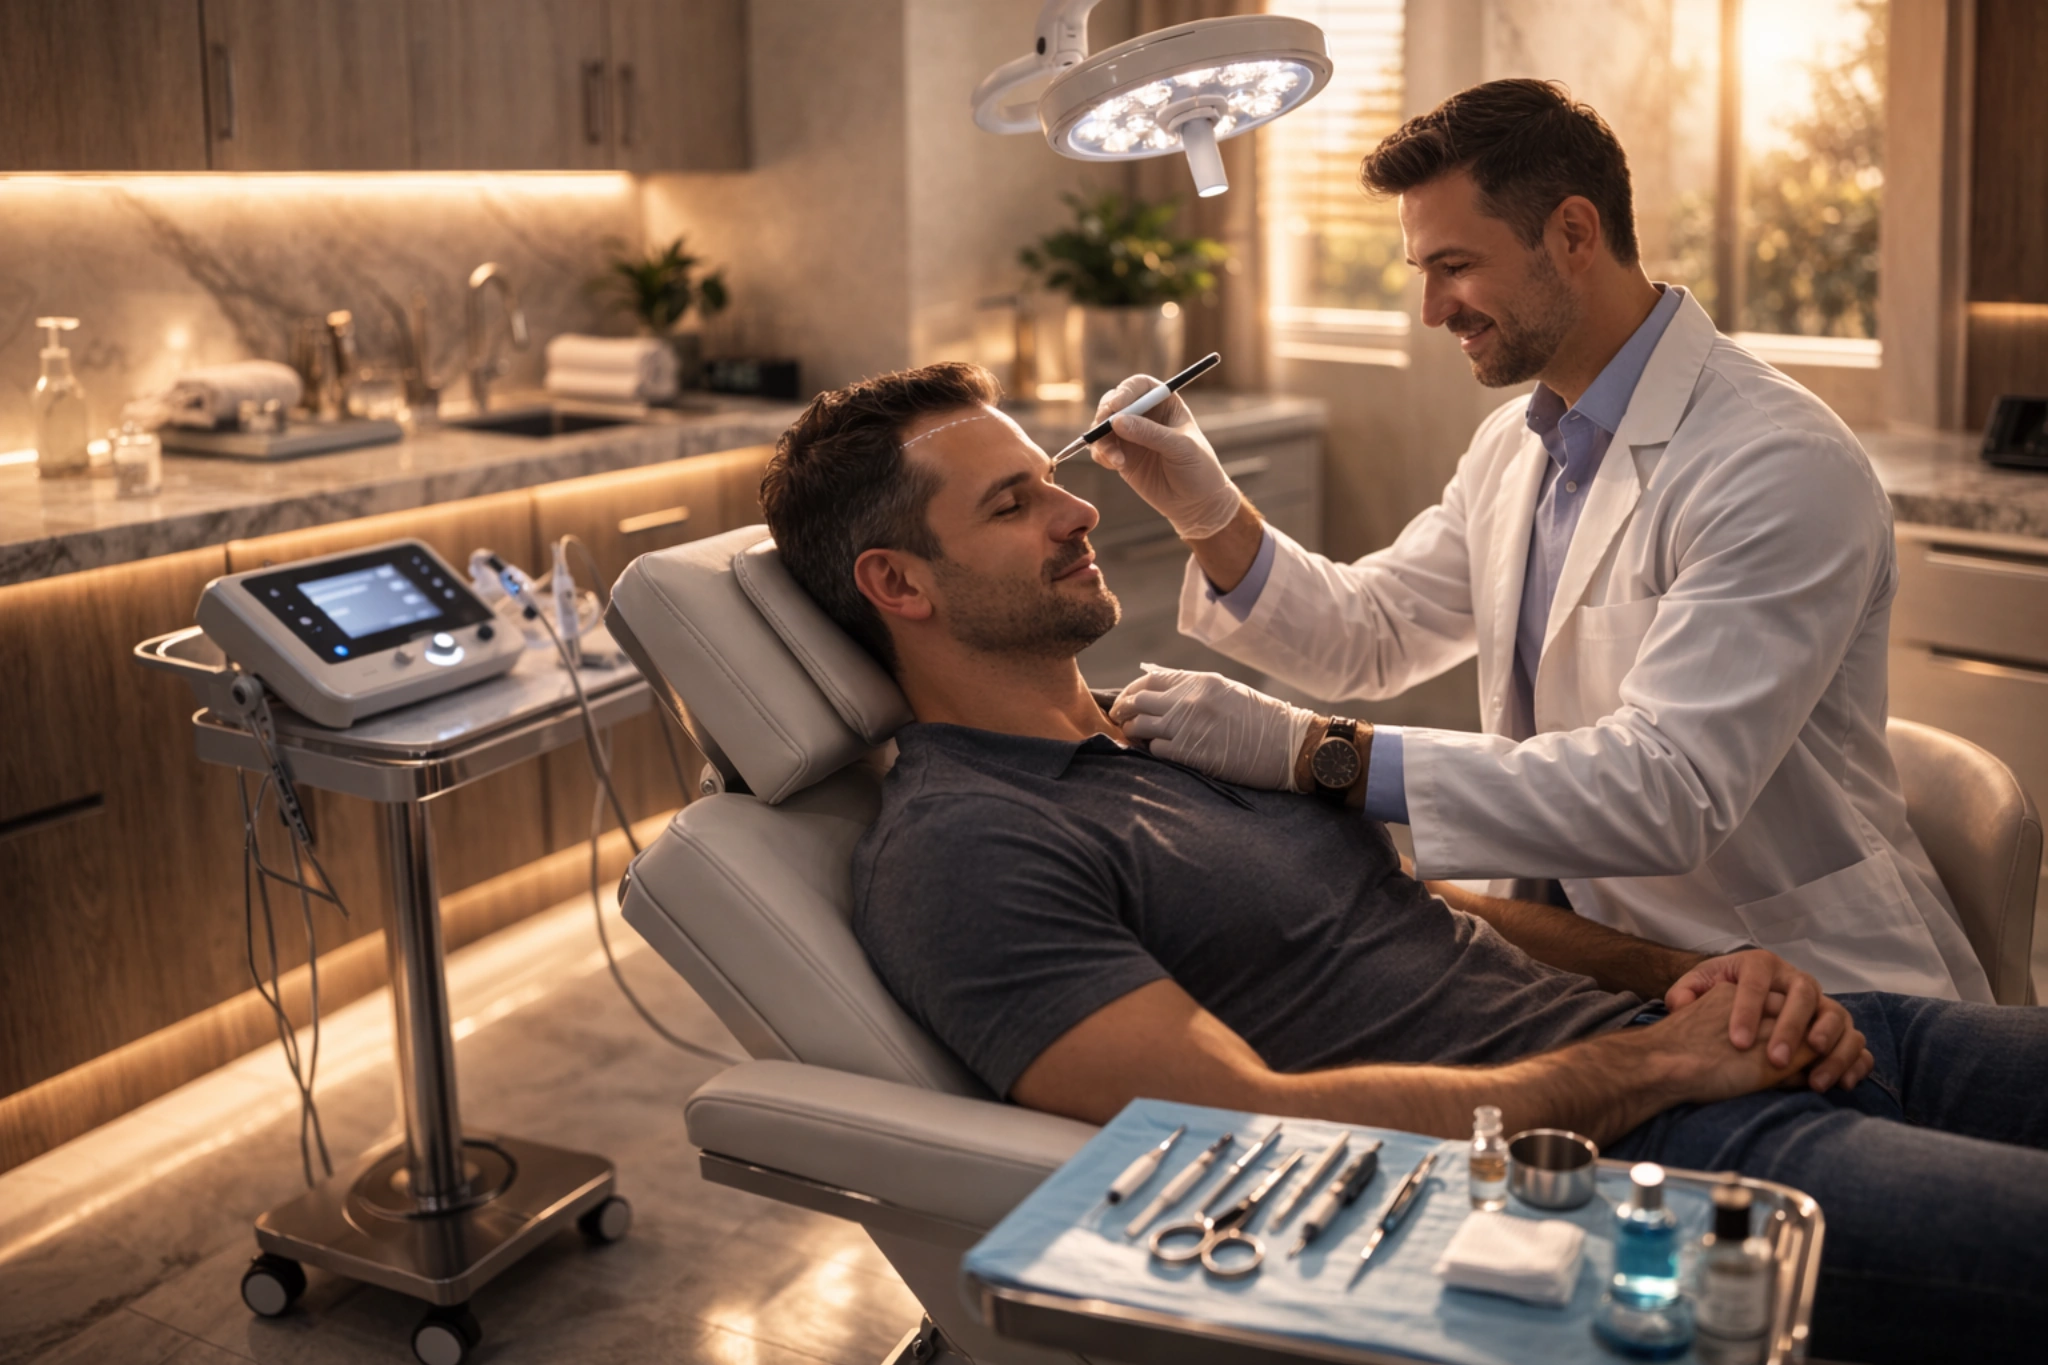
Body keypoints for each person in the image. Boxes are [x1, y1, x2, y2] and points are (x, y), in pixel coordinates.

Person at [756, 361, 2048, 1365]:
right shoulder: (966, 849)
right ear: (899, 584)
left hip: (1711, 1041)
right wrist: (1657, 1064)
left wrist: (1700, 979)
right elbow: (1243, 1123)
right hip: (1622, 1165)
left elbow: (1411, 905)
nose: (1080, 505)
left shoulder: (1161, 729)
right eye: (1014, 500)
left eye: (1052, 474)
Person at [1083, 78, 1988, 1003]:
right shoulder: (1519, 446)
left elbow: (1662, 790)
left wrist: (1321, 752)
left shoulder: (1775, 462)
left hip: (1800, 983)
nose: (1433, 310)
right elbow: (1374, 631)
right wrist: (1208, 510)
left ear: (1573, 234)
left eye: (1455, 266)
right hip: (1594, 962)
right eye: (1421, 273)